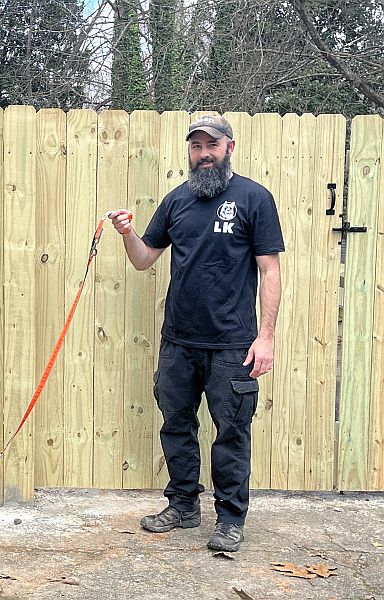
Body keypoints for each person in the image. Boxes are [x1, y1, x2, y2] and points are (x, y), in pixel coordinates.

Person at [108, 114, 284, 552]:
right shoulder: (177, 201)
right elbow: (144, 258)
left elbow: (270, 269)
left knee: (231, 432)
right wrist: (128, 232)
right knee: (177, 426)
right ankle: (184, 505)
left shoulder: (254, 199)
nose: (203, 154)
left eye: (212, 145)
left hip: (232, 344)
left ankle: (230, 519)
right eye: (196, 147)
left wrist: (266, 336)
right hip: (179, 342)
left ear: (230, 147)